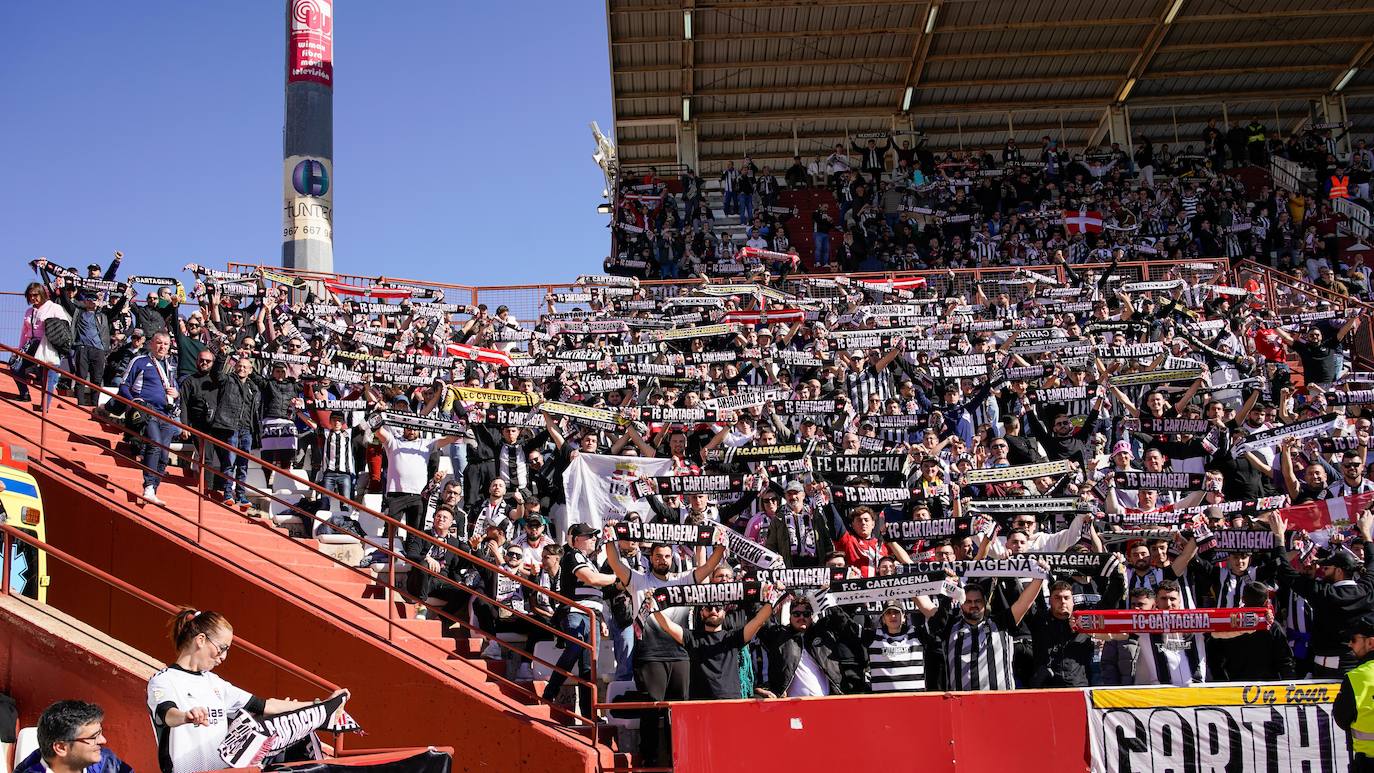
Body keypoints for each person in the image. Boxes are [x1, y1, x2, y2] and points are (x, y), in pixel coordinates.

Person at [147, 609, 348, 773]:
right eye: (222, 648)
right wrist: (186, 716)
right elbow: (167, 715)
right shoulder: (164, 680)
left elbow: (265, 705)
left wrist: (320, 705)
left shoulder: (215, 683)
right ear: (200, 640)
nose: (223, 657)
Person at [646, 583, 782, 700]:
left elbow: (759, 621)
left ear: (724, 613)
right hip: (700, 703)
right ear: (701, 613)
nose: (714, 611)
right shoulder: (691, 637)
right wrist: (654, 604)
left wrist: (774, 597)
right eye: (709, 608)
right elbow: (667, 626)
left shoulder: (733, 637)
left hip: (731, 701)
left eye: (718, 608)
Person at [119, 331, 179, 506]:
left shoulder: (171, 366)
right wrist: (134, 403)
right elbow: (123, 385)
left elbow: (175, 390)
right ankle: (149, 487)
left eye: (166, 344)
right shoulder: (140, 361)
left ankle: (153, 488)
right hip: (148, 410)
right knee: (154, 443)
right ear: (151, 344)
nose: (162, 347)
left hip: (166, 414)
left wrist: (177, 393)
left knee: (164, 453)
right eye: (159, 343)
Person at [14, 700, 133, 773]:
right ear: (61, 748)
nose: (103, 741)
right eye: (93, 737)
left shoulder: (107, 761)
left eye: (100, 733)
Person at [1333, 616, 1374, 772]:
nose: (1350, 644)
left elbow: (1342, 718)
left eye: (1354, 639)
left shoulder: (1356, 678)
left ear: (1370, 642)